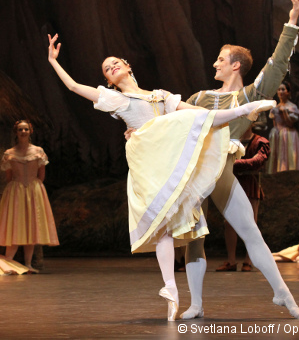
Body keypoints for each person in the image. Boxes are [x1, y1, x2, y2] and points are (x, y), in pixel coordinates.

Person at [48, 34, 278, 321]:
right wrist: (54, 61)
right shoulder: (114, 98)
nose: (111, 68)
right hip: (149, 163)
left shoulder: (160, 94)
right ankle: (171, 288)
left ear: (127, 66)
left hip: (170, 157)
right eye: (107, 69)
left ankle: (246, 109)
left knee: (193, 122)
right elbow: (72, 86)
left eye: (115, 63)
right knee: (163, 227)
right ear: (108, 81)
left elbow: (198, 113)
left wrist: (231, 116)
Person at [176, 0, 299, 320]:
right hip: (194, 174)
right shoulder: (200, 97)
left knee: (250, 231)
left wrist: (291, 22)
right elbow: (173, 125)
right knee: (195, 239)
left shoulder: (249, 95)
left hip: (221, 172)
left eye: (221, 59)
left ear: (235, 65)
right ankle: (196, 304)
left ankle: (281, 291)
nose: (215, 63)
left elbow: (276, 66)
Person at [0, 121, 59, 273]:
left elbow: (41, 174)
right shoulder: (9, 152)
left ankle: (28, 264)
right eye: (20, 129)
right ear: (16, 132)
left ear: (30, 131)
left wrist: (33, 187)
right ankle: (8, 263)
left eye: (26, 129)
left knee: (31, 225)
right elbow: (8, 176)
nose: (23, 131)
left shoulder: (38, 151)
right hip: (16, 190)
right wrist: (16, 188)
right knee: (15, 224)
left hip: (33, 189)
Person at [216, 122, 269, 272]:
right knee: (229, 223)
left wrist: (232, 164)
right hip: (232, 184)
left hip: (250, 184)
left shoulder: (260, 142)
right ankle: (231, 260)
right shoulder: (230, 141)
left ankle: (249, 260)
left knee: (251, 223)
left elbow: (257, 161)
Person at [267, 81, 299, 173]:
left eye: (283, 89)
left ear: (288, 92)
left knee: (289, 155)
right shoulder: (275, 107)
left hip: (288, 134)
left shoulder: (291, 107)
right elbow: (274, 123)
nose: (281, 92)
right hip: (276, 134)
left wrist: (285, 112)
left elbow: (290, 123)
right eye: (279, 89)